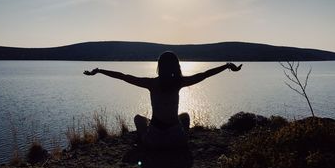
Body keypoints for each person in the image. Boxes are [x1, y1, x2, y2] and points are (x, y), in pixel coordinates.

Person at [84, 51, 242, 149]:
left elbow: (124, 77)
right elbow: (205, 74)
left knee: (139, 119)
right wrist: (227, 65)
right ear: (176, 66)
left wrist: (99, 71)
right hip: (177, 141)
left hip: (155, 141)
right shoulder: (179, 82)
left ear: (160, 66)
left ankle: (143, 142)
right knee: (185, 116)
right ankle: (183, 138)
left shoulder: (151, 83)